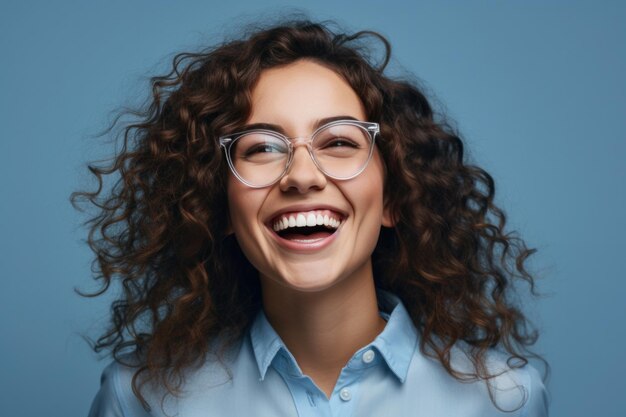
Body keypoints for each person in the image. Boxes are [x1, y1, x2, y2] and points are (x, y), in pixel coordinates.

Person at [75, 19, 549, 416]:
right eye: (261, 147)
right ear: (217, 206)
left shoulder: (505, 399)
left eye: (339, 142)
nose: (301, 176)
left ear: (394, 199)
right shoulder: (139, 399)